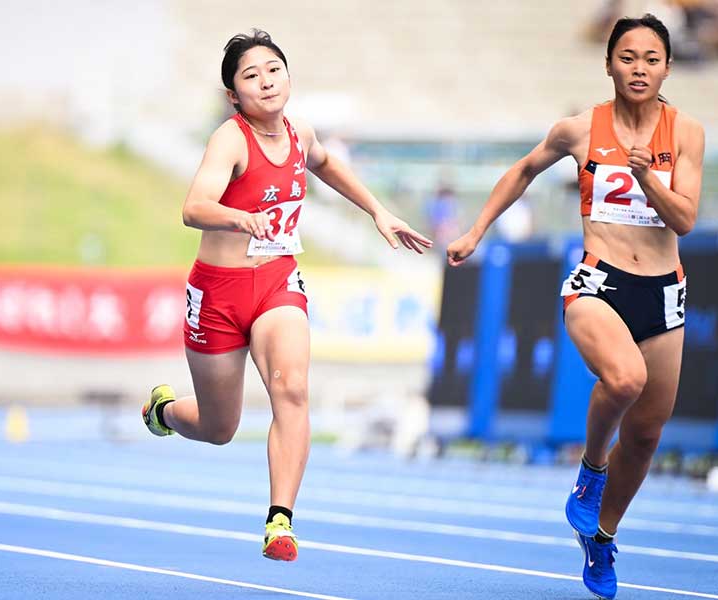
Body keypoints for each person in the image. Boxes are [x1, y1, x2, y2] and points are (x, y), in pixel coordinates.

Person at [142, 29, 432, 562]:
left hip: (277, 281)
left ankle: (281, 520)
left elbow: (324, 163)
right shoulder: (230, 140)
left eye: (273, 69)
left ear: (288, 77)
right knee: (219, 427)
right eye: (251, 76)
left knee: (292, 388)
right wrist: (238, 217)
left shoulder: (301, 131)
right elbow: (193, 207)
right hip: (218, 293)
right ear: (234, 95)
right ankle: (164, 410)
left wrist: (377, 210)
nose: (266, 81)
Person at [447, 14, 703, 600]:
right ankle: (590, 471)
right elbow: (523, 170)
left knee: (645, 436)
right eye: (627, 57)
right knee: (624, 379)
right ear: (609, 64)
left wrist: (648, 178)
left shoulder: (687, 132)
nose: (639, 69)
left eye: (651, 59)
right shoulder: (579, 129)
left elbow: (685, 219)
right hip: (599, 281)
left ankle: (602, 536)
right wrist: (476, 231)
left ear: (667, 68)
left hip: (664, 291)